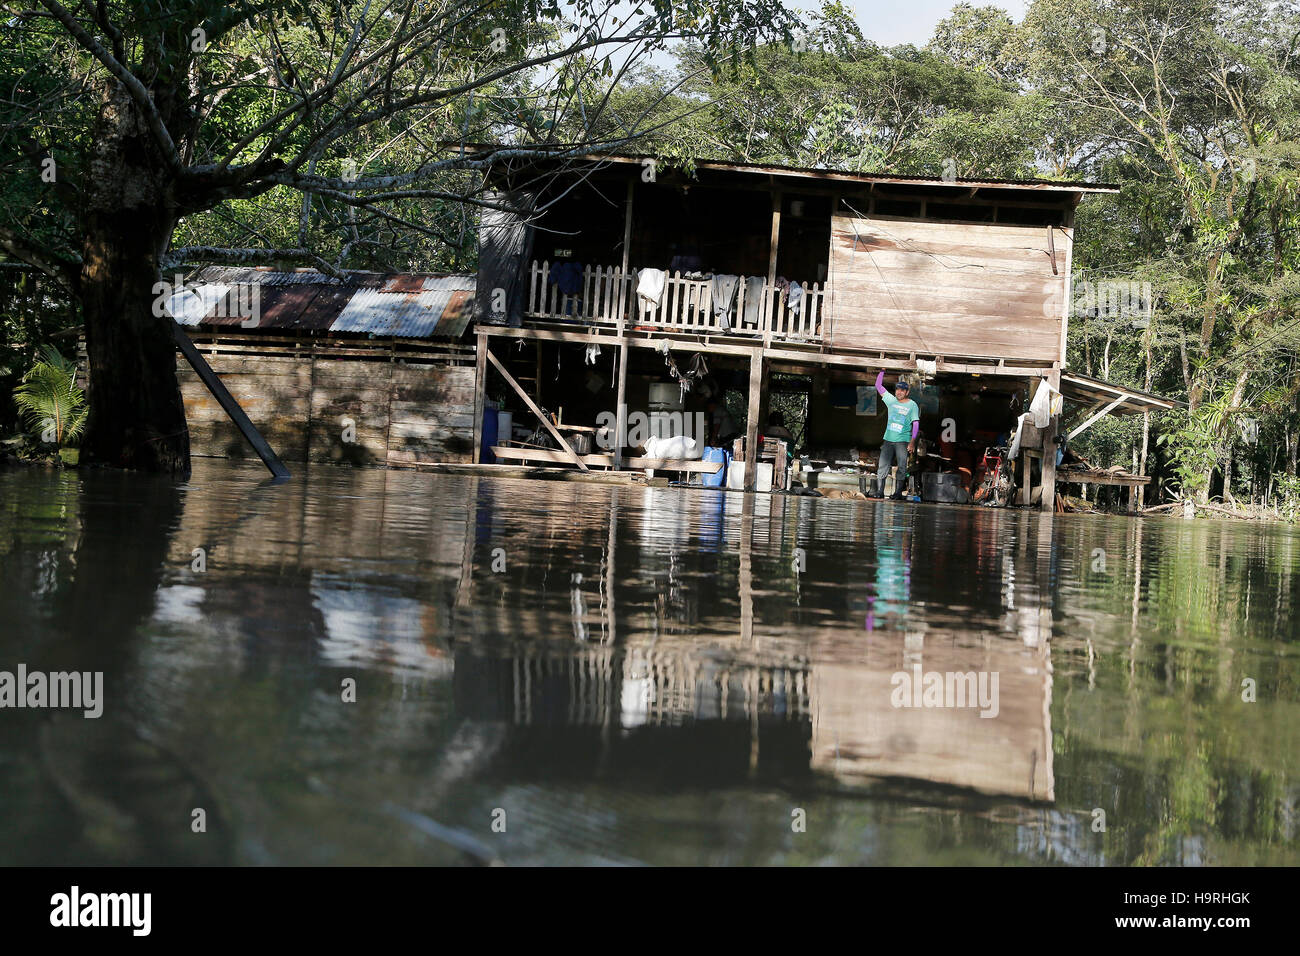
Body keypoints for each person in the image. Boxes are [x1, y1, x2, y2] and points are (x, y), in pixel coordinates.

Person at [869, 370, 919, 499]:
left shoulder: (912, 405)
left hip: (903, 441)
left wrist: (912, 441)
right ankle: (880, 491)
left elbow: (916, 424)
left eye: (902, 390)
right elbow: (878, 385)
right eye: (897, 389)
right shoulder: (891, 400)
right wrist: (882, 371)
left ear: (907, 392)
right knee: (883, 466)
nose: (899, 392)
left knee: (902, 467)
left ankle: (897, 493)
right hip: (888, 440)